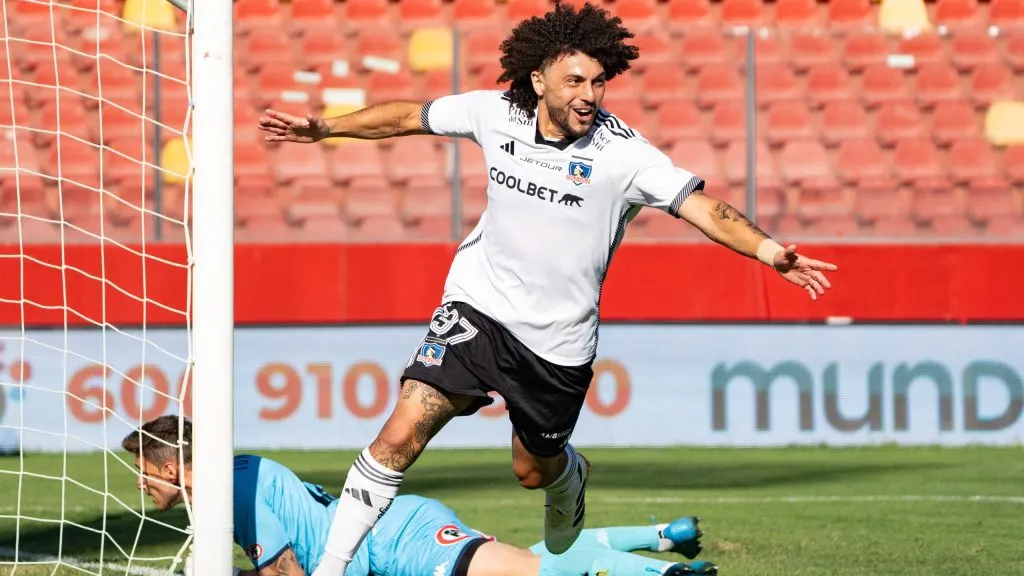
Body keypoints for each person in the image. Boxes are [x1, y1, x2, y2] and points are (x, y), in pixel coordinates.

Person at [258, 2, 838, 574]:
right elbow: (409, 116)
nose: (589, 94)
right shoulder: (493, 113)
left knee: (532, 470)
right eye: (574, 81)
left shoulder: (625, 156)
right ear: (538, 81)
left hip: (557, 344)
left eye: (598, 82)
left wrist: (770, 252)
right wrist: (327, 128)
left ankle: (569, 477)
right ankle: (331, 568)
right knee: (398, 435)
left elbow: (705, 209)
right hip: (477, 308)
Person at [122, 415, 719, 576]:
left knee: (533, 571)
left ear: (171, 465)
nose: (141, 482)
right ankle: (664, 537)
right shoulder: (238, 471)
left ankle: (660, 574)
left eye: (143, 470)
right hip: (387, 541)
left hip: (395, 542)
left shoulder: (233, 491)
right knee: (527, 560)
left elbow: (288, 574)